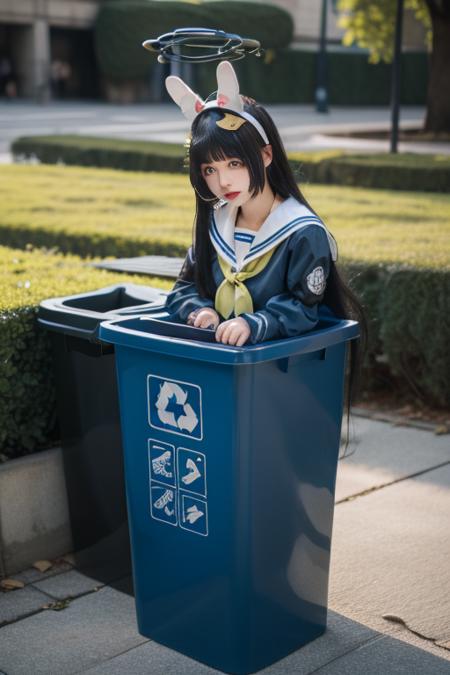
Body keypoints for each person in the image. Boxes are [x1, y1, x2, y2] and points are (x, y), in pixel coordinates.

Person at [164, 61, 366, 429]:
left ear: (266, 155)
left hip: (278, 381)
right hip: (218, 376)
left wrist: (256, 323)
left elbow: (306, 307)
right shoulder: (215, 223)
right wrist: (200, 313)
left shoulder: (302, 232)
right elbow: (181, 292)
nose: (222, 180)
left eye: (234, 163)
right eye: (209, 169)